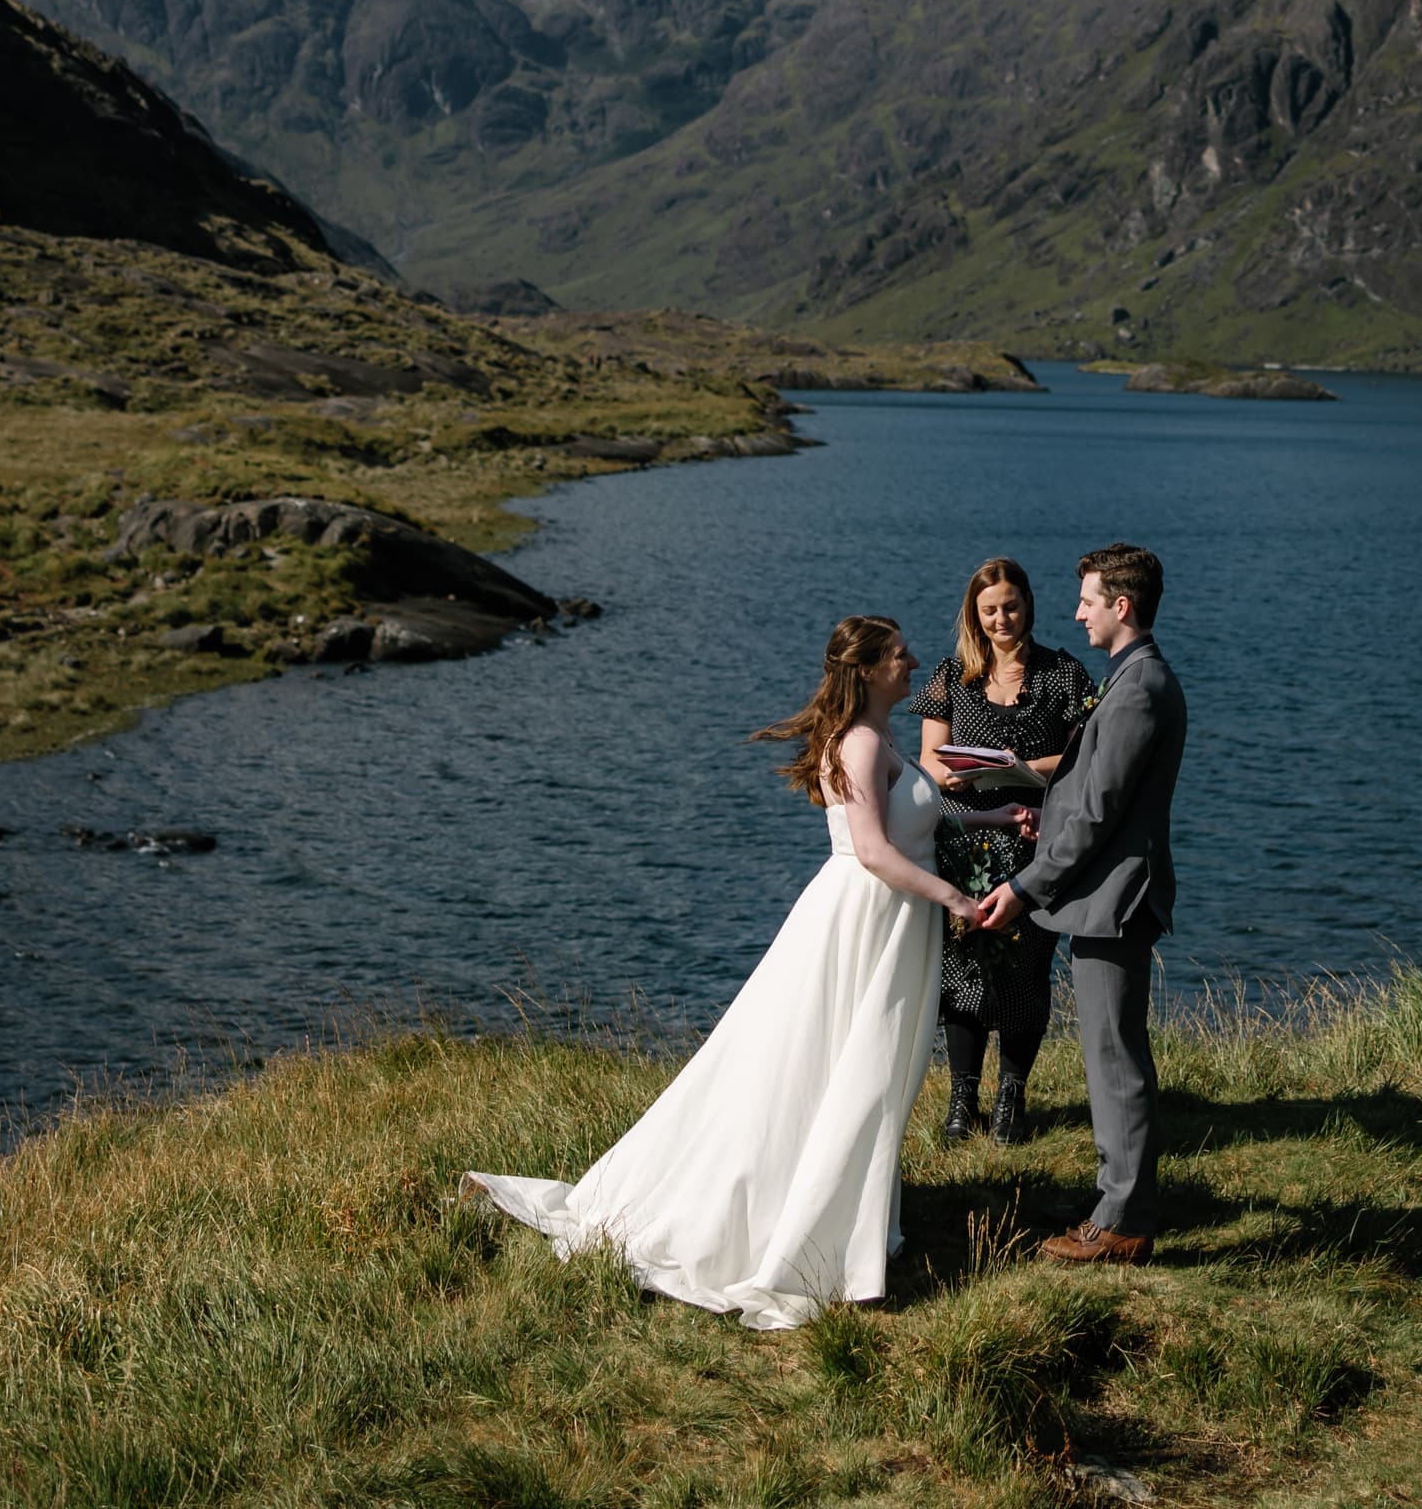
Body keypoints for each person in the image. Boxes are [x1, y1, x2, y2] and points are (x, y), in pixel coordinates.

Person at [466, 615, 1037, 1328]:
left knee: (861, 1071)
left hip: (888, 918)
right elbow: (872, 850)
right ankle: (809, 1238)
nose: (914, 661)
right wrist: (957, 899)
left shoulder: (875, 736)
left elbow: (912, 822)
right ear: (866, 670)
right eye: (899, 654)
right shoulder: (859, 741)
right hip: (869, 918)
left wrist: (995, 816)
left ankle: (838, 1220)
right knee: (857, 1070)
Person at [973, 541, 1185, 1265]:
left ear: (1121, 607)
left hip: (1116, 900)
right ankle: (1115, 1198)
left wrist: (1026, 886)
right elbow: (1091, 799)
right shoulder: (1130, 680)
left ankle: (1123, 1222)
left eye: (1089, 601)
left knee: (1115, 1060)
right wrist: (1048, 813)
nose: (1077, 614)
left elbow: (1099, 812)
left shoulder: (1140, 688)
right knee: (1107, 1056)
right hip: (1105, 895)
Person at [906, 557, 1094, 1144]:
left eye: (1010, 606)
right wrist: (957, 774)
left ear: (1028, 604)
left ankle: (1012, 1099)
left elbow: (1085, 758)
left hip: (1036, 842)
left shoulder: (1061, 673)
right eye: (989, 610)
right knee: (961, 971)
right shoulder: (951, 676)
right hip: (965, 842)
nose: (1001, 619)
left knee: (1027, 970)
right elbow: (931, 760)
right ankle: (963, 1102)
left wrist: (1021, 768)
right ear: (975, 613)